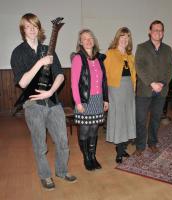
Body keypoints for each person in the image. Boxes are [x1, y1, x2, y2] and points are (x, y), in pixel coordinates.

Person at [10, 13, 77, 191]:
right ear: (23, 30)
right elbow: (23, 82)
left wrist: (51, 90)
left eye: (35, 26)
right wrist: (40, 63)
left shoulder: (48, 49)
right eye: (28, 26)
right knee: (40, 145)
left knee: (62, 142)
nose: (32, 29)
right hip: (32, 104)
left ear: (39, 28)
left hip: (53, 101)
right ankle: (45, 175)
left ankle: (62, 171)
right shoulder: (18, 52)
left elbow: (60, 75)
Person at [134, 20, 172, 156]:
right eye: (155, 30)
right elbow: (139, 67)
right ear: (150, 32)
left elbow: (170, 68)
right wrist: (151, 83)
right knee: (141, 119)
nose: (158, 32)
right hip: (144, 90)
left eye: (160, 30)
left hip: (161, 91)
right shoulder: (142, 47)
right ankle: (140, 146)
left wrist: (162, 83)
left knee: (156, 119)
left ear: (163, 33)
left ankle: (152, 143)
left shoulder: (167, 49)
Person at [71, 29, 109, 171]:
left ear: (94, 40)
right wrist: (78, 103)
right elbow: (74, 83)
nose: (88, 40)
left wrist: (106, 99)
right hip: (85, 100)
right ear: (80, 42)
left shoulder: (99, 58)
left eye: (90, 37)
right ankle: (86, 157)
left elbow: (104, 81)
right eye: (84, 38)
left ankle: (93, 156)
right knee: (85, 130)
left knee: (94, 129)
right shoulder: (78, 58)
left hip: (98, 99)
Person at [104, 27, 136, 163]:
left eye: (127, 37)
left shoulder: (130, 56)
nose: (124, 39)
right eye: (122, 36)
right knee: (119, 118)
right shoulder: (110, 53)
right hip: (115, 89)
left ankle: (122, 148)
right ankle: (119, 149)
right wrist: (105, 95)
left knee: (128, 118)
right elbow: (104, 75)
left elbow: (134, 75)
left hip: (129, 89)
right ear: (118, 38)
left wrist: (134, 89)